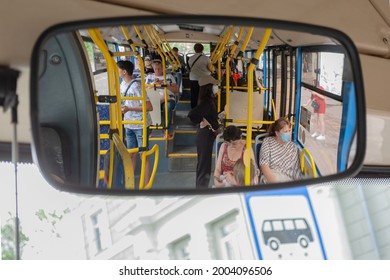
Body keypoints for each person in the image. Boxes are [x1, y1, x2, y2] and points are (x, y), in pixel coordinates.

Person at [117, 60, 153, 187]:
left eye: (119, 69)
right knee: (131, 154)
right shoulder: (122, 85)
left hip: (140, 124)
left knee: (144, 155)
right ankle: (130, 183)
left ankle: (145, 185)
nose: (117, 72)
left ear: (124, 71)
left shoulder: (137, 86)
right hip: (128, 123)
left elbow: (149, 107)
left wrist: (129, 109)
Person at [188, 75, 220, 188]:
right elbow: (192, 114)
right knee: (204, 166)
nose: (216, 87)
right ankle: (201, 190)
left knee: (203, 165)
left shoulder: (207, 100)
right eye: (214, 85)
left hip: (206, 134)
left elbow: (209, 116)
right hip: (205, 134)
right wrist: (201, 121)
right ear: (209, 87)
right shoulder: (207, 101)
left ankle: (201, 188)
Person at [259, 118, 301, 183]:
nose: (288, 134)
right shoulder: (268, 142)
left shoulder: (293, 146)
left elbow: (296, 170)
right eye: (285, 132)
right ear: (277, 133)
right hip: (272, 176)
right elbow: (264, 165)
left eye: (289, 131)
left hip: (288, 178)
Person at [145, 59, 179, 133]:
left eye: (159, 69)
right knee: (146, 105)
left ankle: (167, 128)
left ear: (163, 68)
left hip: (168, 97)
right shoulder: (149, 77)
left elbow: (176, 90)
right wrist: (153, 84)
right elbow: (144, 90)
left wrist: (164, 85)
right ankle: (149, 127)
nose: (157, 71)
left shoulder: (169, 77)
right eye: (155, 69)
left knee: (168, 106)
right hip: (153, 97)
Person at [188, 43, 212, 108]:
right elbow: (210, 68)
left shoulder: (190, 58)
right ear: (202, 49)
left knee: (194, 95)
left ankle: (194, 109)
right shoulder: (206, 58)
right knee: (203, 95)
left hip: (193, 79)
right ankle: (202, 109)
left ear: (194, 49)